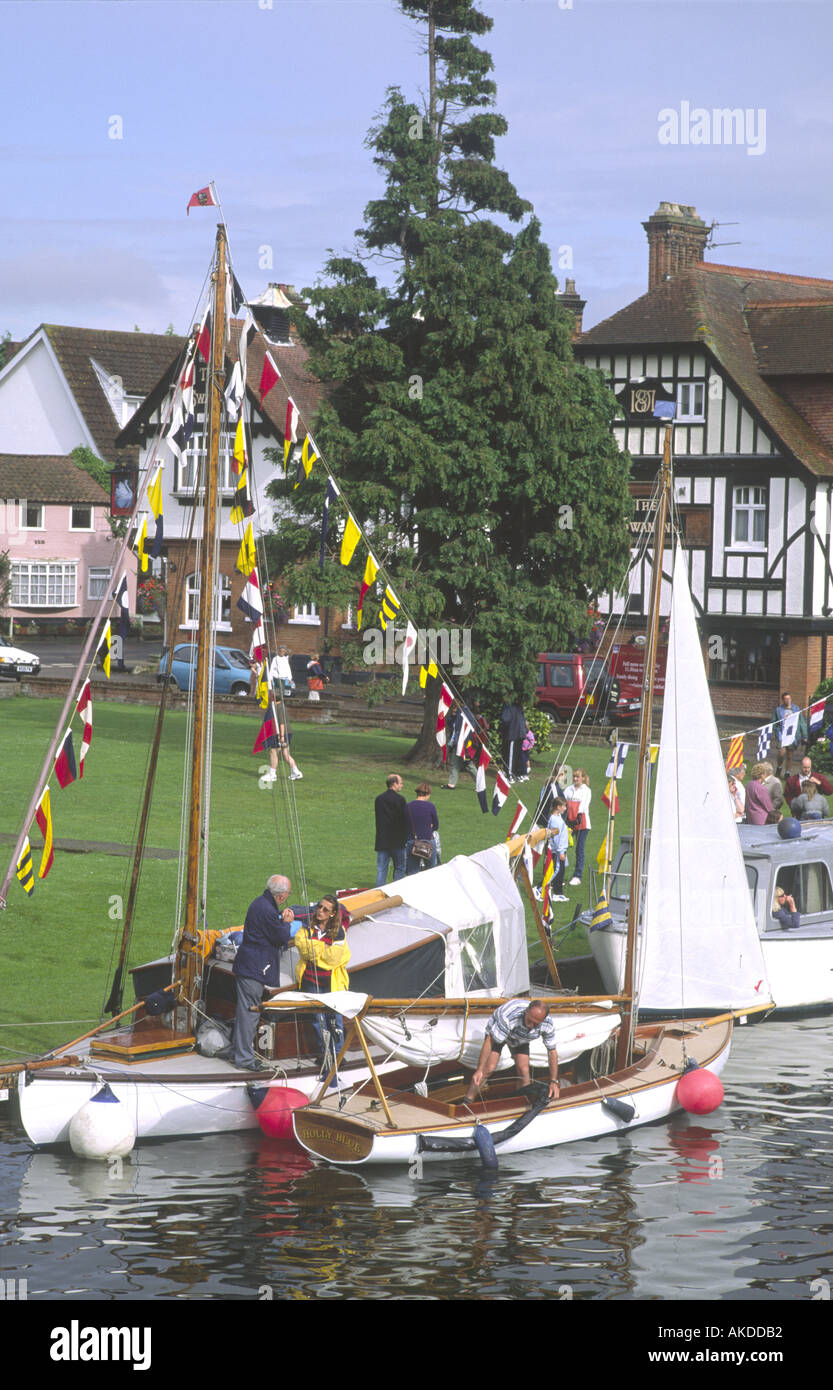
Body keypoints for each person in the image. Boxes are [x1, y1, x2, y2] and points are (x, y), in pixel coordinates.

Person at [228, 874, 302, 1070]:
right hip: (254, 967)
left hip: (248, 964)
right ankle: (244, 1059)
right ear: (282, 895)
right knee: (250, 1013)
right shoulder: (267, 909)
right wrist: (286, 922)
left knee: (245, 1011)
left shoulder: (260, 903)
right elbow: (280, 937)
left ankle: (238, 1052)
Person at [460, 999, 560, 1106]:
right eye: (529, 1021)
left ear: (543, 1020)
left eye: (535, 1024)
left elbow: (552, 1052)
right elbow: (490, 1041)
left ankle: (522, 1103)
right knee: (488, 1068)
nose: (531, 1026)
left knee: (524, 1070)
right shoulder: (509, 1017)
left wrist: (554, 1081)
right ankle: (467, 1102)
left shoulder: (548, 1024)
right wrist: (479, 1069)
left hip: (521, 1038)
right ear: (526, 1011)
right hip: (498, 1031)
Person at [293, 894, 351, 1076]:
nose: (320, 911)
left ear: (333, 914)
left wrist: (315, 950)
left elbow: (334, 958)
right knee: (318, 1021)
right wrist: (323, 950)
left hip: (331, 984)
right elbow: (301, 946)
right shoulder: (307, 927)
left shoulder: (339, 932)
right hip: (311, 982)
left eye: (325, 909)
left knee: (335, 1020)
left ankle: (338, 1054)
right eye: (319, 907)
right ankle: (325, 1054)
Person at [374, 773, 408, 886]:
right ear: (394, 784)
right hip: (398, 840)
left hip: (382, 839)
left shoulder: (379, 799)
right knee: (400, 868)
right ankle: (396, 891)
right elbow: (404, 819)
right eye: (401, 783)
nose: (402, 785)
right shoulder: (400, 800)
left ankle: (379, 892)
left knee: (381, 869)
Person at [564, 768, 592, 886]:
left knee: (579, 849)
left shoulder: (586, 790)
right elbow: (563, 803)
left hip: (582, 823)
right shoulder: (568, 789)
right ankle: (559, 873)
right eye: (574, 776)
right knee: (562, 847)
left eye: (578, 777)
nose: (575, 779)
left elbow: (583, 807)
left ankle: (577, 875)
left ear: (583, 778)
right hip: (568, 822)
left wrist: (575, 821)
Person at [405, 782, 440, 873]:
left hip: (412, 841)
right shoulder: (430, 806)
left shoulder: (408, 806)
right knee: (430, 872)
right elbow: (436, 825)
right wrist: (430, 827)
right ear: (428, 794)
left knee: (412, 872)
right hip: (428, 841)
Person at [262, 705, 302, 783]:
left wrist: (282, 736)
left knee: (273, 751)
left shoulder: (279, 707)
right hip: (287, 732)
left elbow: (282, 723)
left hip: (283, 733)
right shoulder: (278, 706)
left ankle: (272, 774)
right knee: (285, 753)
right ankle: (296, 772)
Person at [444, 699, 477, 788]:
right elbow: (452, 725)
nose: (452, 710)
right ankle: (451, 784)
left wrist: (465, 742)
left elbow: (472, 727)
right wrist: (453, 715)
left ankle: (480, 783)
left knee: (468, 764)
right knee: (455, 763)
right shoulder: (457, 714)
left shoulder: (465, 713)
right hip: (456, 742)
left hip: (464, 743)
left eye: (453, 708)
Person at [774, 693, 807, 778]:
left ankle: (787, 772)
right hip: (782, 735)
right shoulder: (779, 710)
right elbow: (774, 723)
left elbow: (802, 723)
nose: (788, 700)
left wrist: (804, 735)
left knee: (789, 755)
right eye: (786, 699)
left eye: (789, 698)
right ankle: (779, 767)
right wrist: (777, 732)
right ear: (783, 700)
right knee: (781, 752)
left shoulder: (796, 709)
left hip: (792, 735)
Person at [546, 796, 569, 902]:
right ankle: (556, 892)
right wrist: (561, 852)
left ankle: (555, 890)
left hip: (558, 850)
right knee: (558, 871)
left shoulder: (556, 817)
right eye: (564, 806)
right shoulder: (555, 820)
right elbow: (557, 838)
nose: (565, 808)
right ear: (558, 807)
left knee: (558, 870)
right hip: (559, 850)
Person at [500, 699, 529, 783]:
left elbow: (505, 719)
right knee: (517, 755)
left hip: (513, 733)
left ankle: (510, 775)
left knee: (511, 755)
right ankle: (518, 774)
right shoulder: (519, 706)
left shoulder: (509, 706)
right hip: (520, 733)